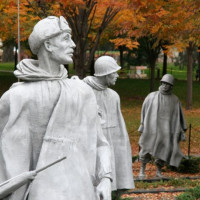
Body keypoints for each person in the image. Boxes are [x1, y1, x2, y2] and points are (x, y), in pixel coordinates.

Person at [0, 16, 112, 200]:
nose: (74, 44)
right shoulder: (16, 98)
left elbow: (100, 142)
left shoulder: (82, 91)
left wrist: (106, 178)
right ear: (49, 45)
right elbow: (6, 159)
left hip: (81, 191)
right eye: (66, 38)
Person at [83, 56, 134, 198]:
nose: (117, 75)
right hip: (93, 143)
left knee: (113, 183)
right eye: (114, 72)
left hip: (113, 142)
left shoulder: (114, 96)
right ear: (105, 73)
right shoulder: (84, 91)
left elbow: (119, 126)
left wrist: (122, 149)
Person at [138, 74, 187, 179]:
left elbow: (178, 116)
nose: (165, 86)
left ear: (171, 86)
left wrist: (181, 131)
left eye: (167, 84)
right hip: (151, 127)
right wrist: (142, 124)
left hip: (166, 130)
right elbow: (144, 111)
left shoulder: (175, 100)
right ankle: (142, 170)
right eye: (163, 83)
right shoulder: (151, 96)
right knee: (146, 148)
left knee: (163, 150)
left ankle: (158, 171)